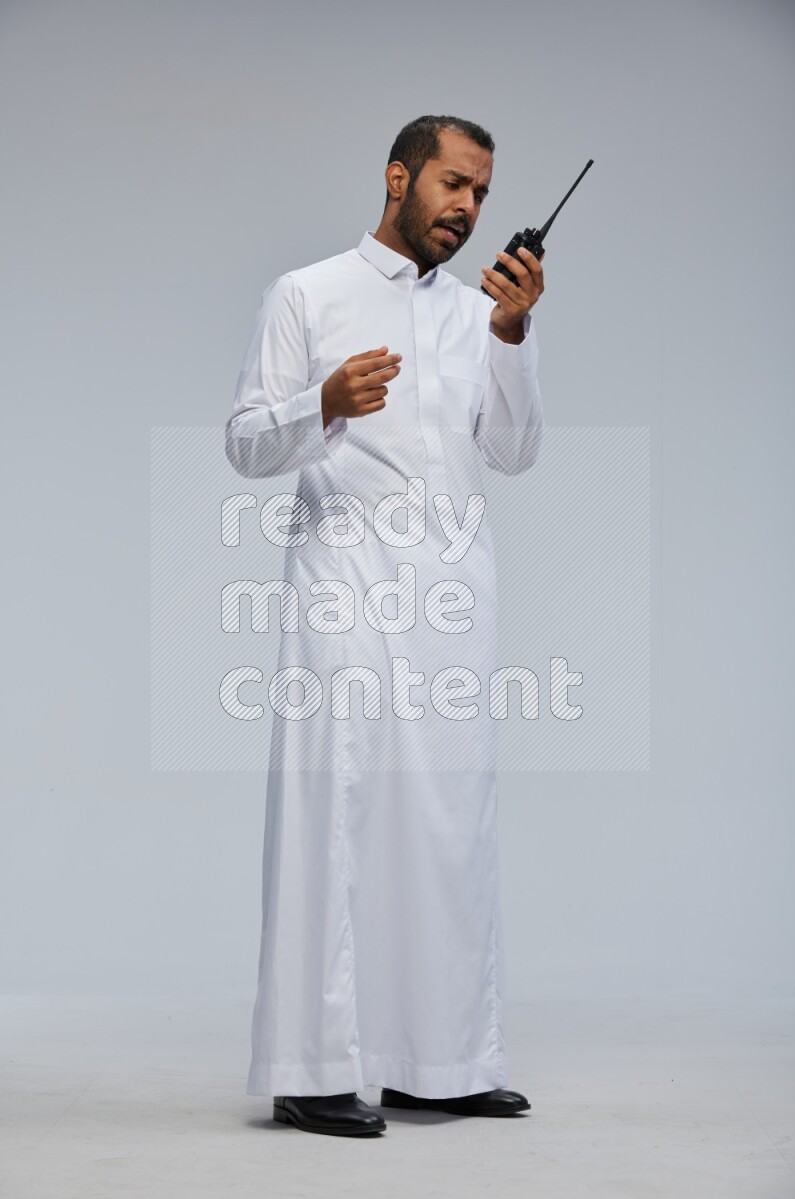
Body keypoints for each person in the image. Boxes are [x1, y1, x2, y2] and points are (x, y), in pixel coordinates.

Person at [225, 114, 545, 1137]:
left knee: (447, 828)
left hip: (451, 603)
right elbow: (244, 444)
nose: (466, 207)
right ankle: (310, 1066)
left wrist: (510, 336)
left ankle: (438, 1061)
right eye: (453, 183)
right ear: (398, 176)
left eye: (482, 194)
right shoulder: (307, 294)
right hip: (343, 590)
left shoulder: (476, 314)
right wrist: (318, 402)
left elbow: (514, 448)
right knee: (332, 818)